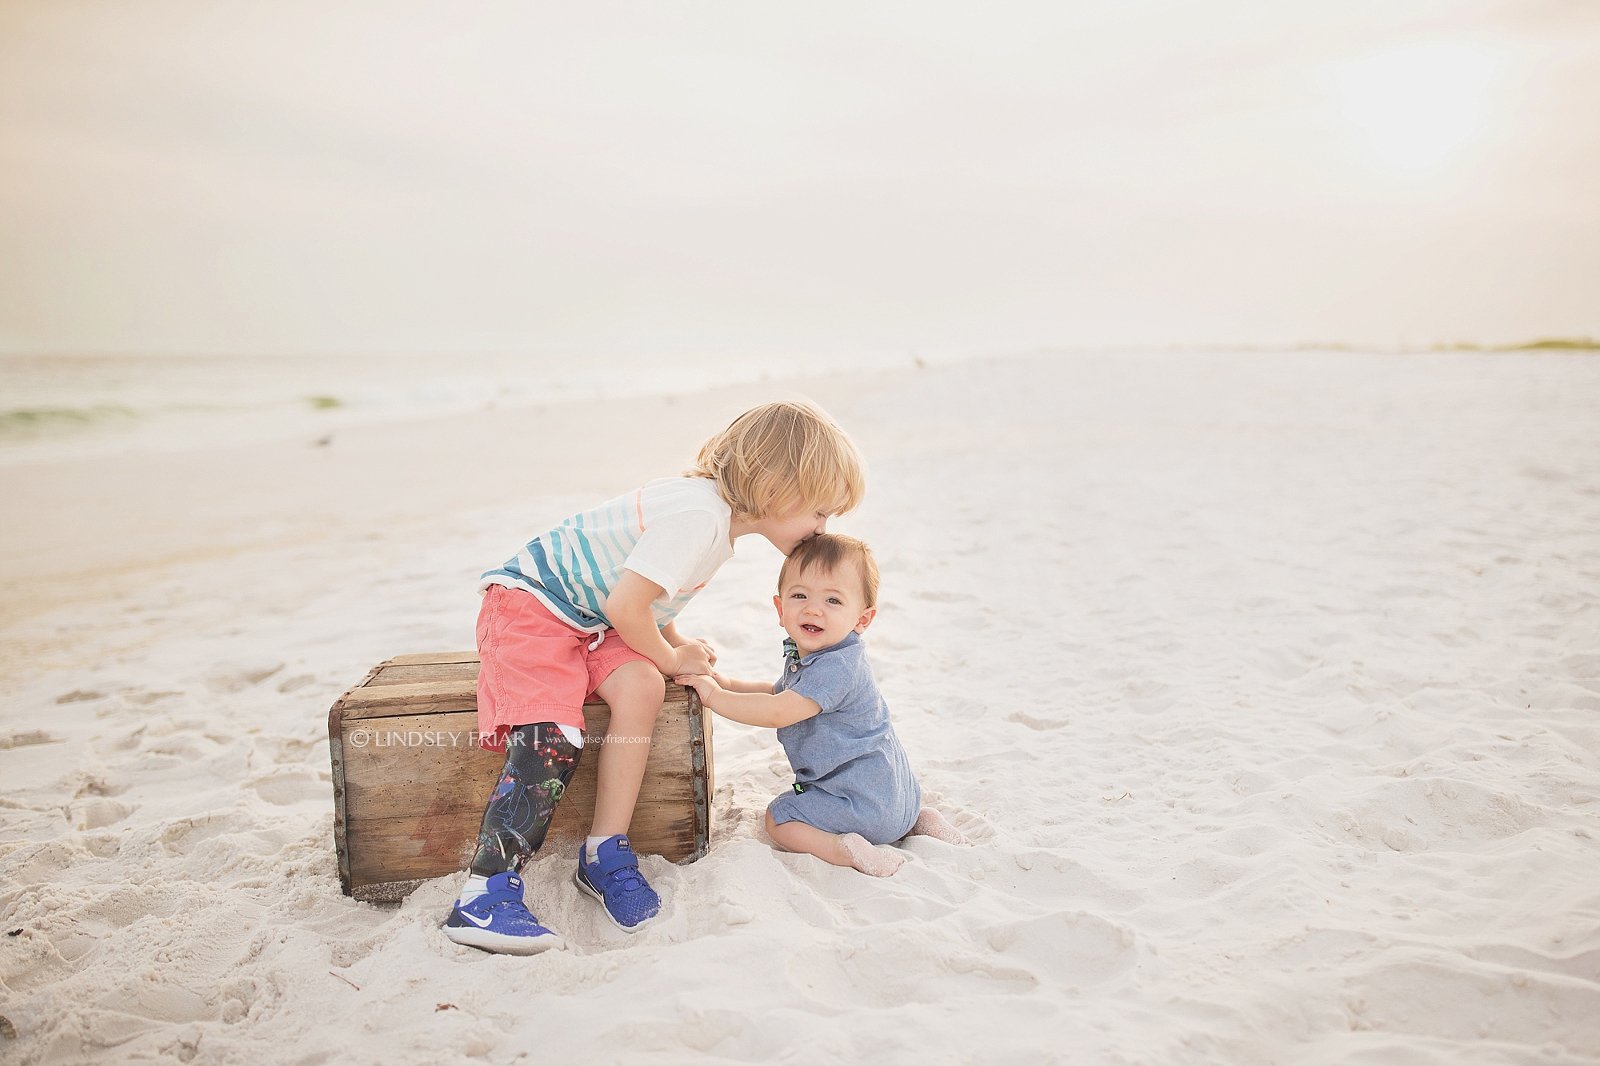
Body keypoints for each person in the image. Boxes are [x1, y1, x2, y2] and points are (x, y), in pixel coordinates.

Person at [443, 401, 865, 954]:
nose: (821, 530)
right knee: (553, 735)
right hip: (534, 608)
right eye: (819, 513)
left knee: (641, 688)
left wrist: (675, 644)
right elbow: (626, 604)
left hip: (590, 621)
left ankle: (603, 851)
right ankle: (483, 894)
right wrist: (670, 659)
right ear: (777, 487)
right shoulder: (700, 518)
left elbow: (648, 597)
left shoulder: (717, 524)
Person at [674, 534, 968, 879]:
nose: (813, 608)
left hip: (861, 804)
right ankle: (919, 820)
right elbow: (774, 694)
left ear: (863, 619)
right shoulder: (828, 656)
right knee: (886, 808)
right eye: (800, 595)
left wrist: (712, 696)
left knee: (779, 818)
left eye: (833, 600)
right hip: (899, 795)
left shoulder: (835, 668)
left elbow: (777, 712)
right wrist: (721, 681)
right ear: (780, 608)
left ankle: (845, 849)